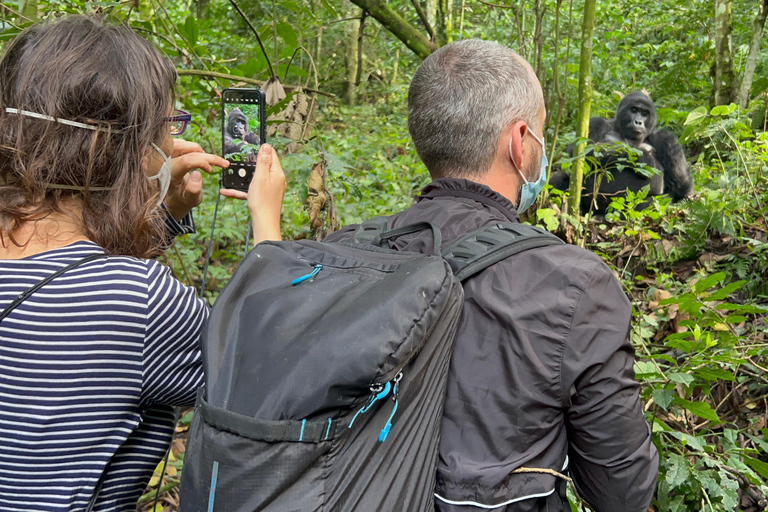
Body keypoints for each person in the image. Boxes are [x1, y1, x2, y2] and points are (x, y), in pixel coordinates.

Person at [325, 40, 659, 511]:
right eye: (540, 134)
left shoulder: (337, 254)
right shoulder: (577, 284)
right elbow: (623, 492)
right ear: (520, 142)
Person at [0, 16, 285, 511]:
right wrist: (267, 228)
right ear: (128, 149)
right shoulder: (139, 300)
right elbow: (270, 376)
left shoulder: (119, 292)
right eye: (166, 128)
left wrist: (165, 215)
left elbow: (70, 276)